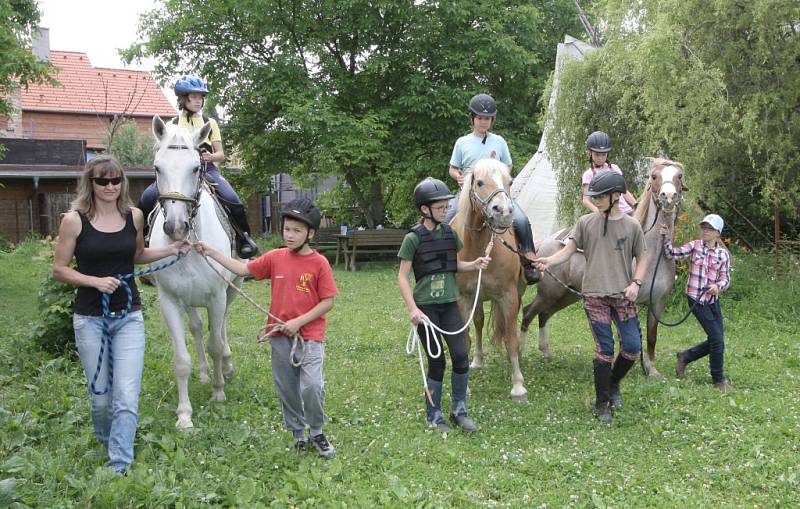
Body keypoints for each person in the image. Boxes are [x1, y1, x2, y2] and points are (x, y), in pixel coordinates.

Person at [52, 155, 189, 474]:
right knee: (101, 397)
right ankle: (107, 437)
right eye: (103, 180)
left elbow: (138, 254)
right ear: (91, 183)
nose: (110, 186)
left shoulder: (135, 216)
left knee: (126, 396)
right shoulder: (74, 220)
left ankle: (119, 464)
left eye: (116, 180)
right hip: (90, 318)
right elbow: (59, 269)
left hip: (129, 316)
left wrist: (171, 249)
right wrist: (94, 281)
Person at [193, 198, 339, 458]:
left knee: (311, 387)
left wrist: (298, 322)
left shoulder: (319, 264)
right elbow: (243, 268)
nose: (290, 235)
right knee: (287, 387)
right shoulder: (275, 258)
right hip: (279, 335)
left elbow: (327, 302)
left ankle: (317, 431)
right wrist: (212, 252)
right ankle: (298, 435)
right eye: (287, 229)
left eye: (297, 230)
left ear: (310, 233)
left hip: (310, 337)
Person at [533, 171, 647, 424]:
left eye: (600, 196)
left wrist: (636, 283)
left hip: (623, 297)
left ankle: (613, 384)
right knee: (605, 350)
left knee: (632, 348)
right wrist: (548, 260)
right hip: (594, 295)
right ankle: (601, 403)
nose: (595, 200)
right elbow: (569, 250)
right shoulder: (585, 223)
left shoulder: (632, 226)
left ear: (616, 196)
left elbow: (643, 258)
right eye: (593, 196)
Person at [398, 177, 491, 433]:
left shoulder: (450, 234)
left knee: (461, 356)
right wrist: (413, 309)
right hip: (426, 309)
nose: (444, 208)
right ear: (424, 209)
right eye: (439, 205)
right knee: (437, 361)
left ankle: (459, 410)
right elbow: (402, 277)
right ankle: (434, 414)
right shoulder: (413, 239)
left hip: (450, 304)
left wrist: (474, 265)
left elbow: (452, 264)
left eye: (445, 204)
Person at [138, 75, 258, 258]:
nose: (198, 101)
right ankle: (142, 239)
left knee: (233, 200)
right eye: (193, 97)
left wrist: (211, 157)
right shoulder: (172, 124)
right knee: (147, 198)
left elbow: (221, 154)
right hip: (176, 174)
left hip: (206, 169)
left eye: (200, 97)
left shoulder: (210, 123)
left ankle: (244, 239)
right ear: (183, 99)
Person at [446, 93, 540, 284]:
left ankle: (529, 261)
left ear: (492, 120)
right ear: (472, 118)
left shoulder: (499, 141)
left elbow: (508, 166)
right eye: (480, 118)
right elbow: (453, 168)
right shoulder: (462, 142)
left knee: (521, 220)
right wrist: (459, 176)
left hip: (494, 194)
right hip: (469, 194)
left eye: (487, 119)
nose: (483, 122)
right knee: (446, 221)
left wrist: (496, 171)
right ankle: (443, 263)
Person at [661, 214, 732, 392]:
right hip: (695, 298)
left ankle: (685, 356)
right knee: (717, 340)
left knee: (718, 340)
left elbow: (726, 278)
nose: (705, 231)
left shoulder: (723, 254)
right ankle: (719, 380)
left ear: (718, 233)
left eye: (710, 228)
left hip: (712, 300)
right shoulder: (695, 246)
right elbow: (672, 254)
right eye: (704, 227)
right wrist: (665, 237)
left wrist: (718, 286)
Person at [581, 131, 638, 215]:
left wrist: (636, 205)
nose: (600, 158)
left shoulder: (615, 168)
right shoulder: (588, 174)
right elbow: (586, 200)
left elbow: (624, 191)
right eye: (597, 155)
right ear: (590, 153)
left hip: (626, 211)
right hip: (608, 213)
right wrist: (598, 211)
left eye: (603, 155)